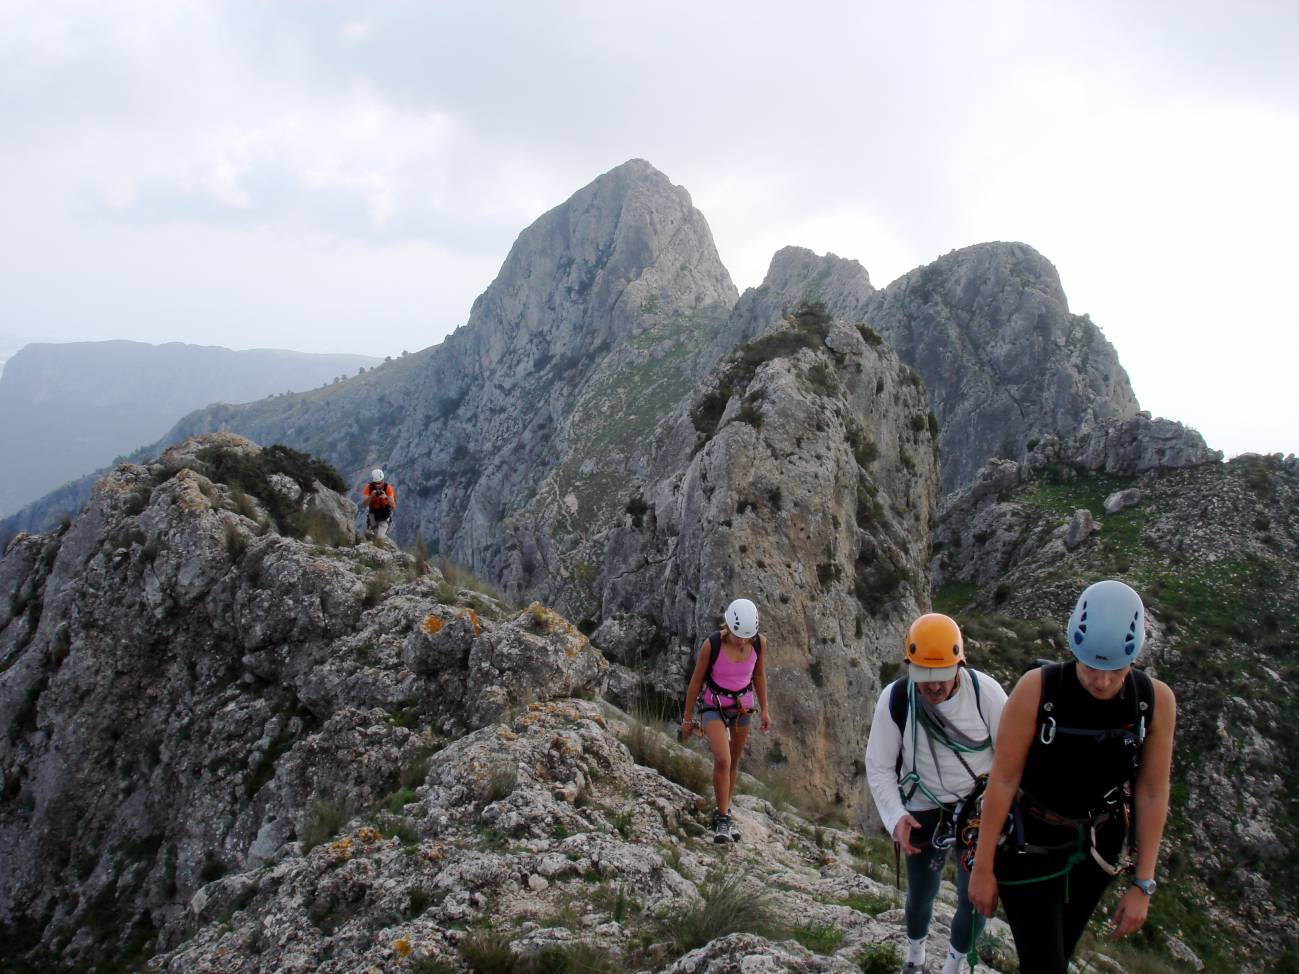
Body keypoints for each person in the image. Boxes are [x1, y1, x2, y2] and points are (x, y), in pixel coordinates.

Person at [968, 580, 1177, 974]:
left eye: (1115, 670)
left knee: (1055, 957)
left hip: (1095, 852)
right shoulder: (1038, 690)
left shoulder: (1154, 701)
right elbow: (1003, 779)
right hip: (1027, 845)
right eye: (1090, 668)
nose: (1102, 681)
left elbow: (1152, 792)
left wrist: (1143, 884)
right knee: (1046, 965)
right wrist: (983, 867)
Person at [866, 612, 1008, 974]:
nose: (932, 687)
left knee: (973, 900)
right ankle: (915, 957)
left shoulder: (986, 695)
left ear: (959, 664)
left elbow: (1010, 762)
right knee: (921, 896)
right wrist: (896, 817)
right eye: (924, 677)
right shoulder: (898, 698)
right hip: (922, 807)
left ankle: (953, 967)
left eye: (941, 676)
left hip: (978, 810)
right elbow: (880, 765)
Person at [680, 598, 770, 844]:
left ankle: (725, 810)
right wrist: (687, 718)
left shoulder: (759, 644)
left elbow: (759, 675)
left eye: (747, 636)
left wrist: (764, 710)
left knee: (734, 762)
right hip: (714, 705)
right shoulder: (713, 645)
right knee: (722, 759)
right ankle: (722, 820)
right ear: (728, 627)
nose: (743, 641)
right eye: (738, 635)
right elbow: (696, 681)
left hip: (742, 708)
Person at [361, 468, 396, 541]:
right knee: (372, 536)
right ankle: (382, 543)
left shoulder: (388, 488)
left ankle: (382, 542)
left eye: (380, 483)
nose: (378, 485)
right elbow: (364, 505)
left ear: (383, 480)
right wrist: (371, 496)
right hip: (373, 515)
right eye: (376, 483)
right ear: (373, 482)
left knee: (379, 538)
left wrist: (386, 498)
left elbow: (393, 507)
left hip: (384, 516)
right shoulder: (368, 488)